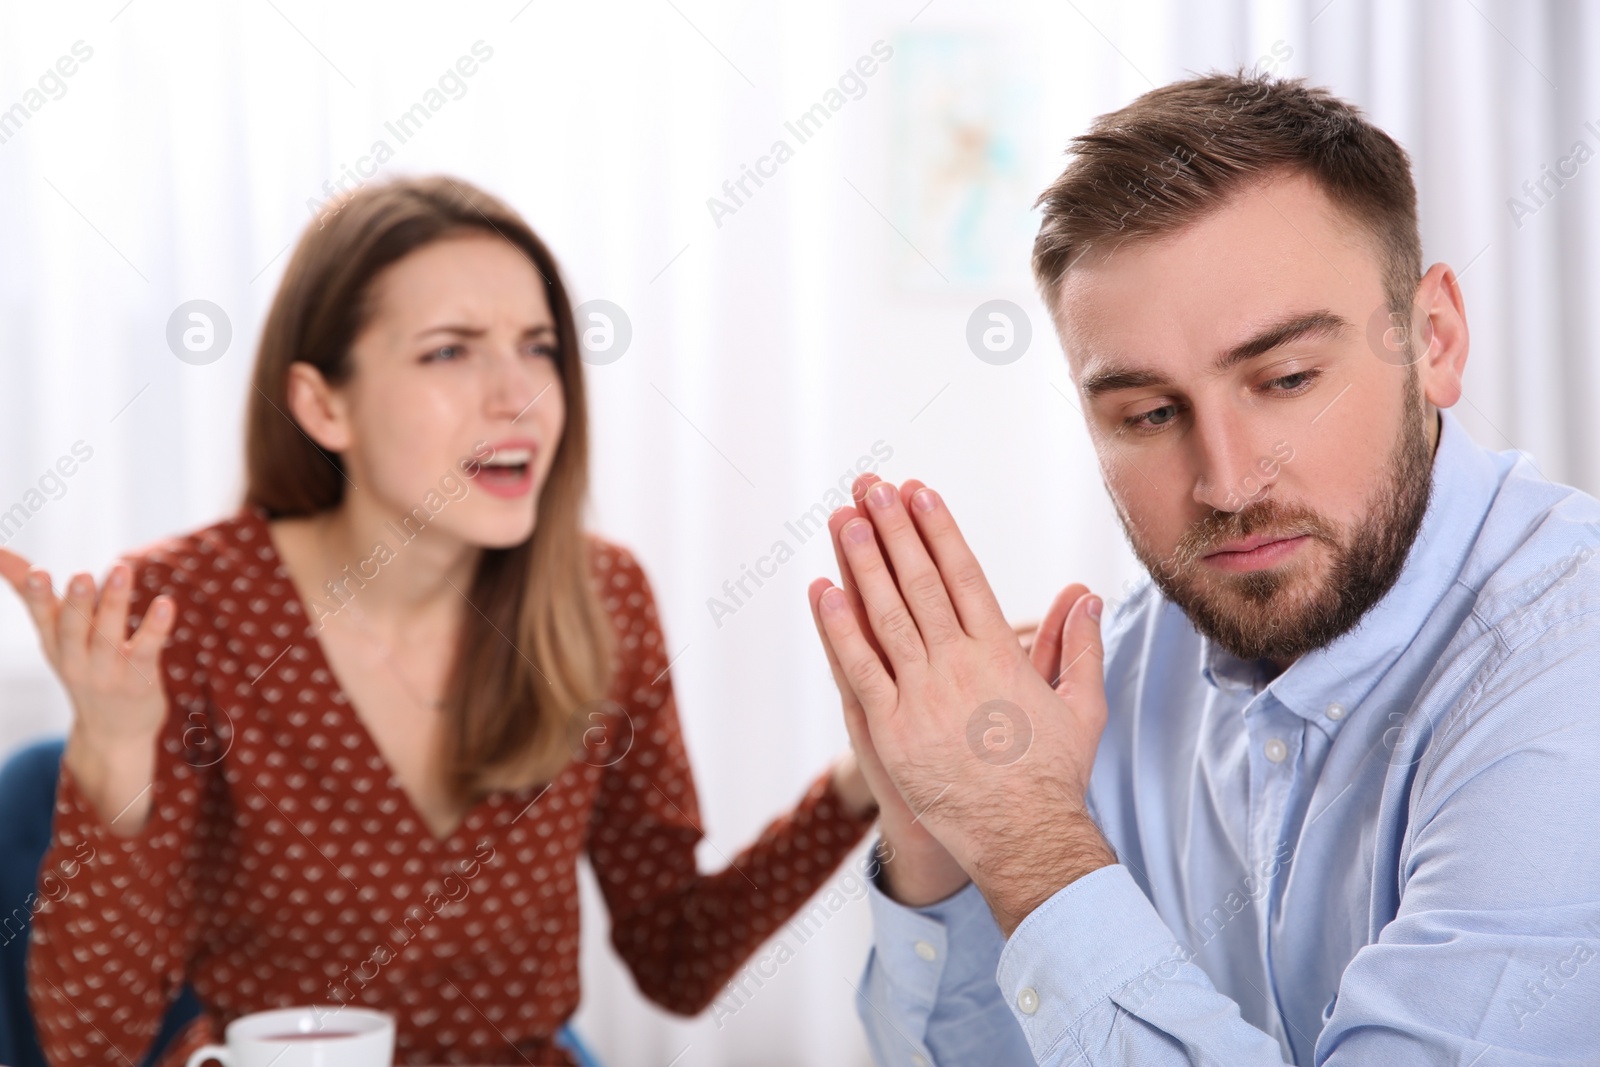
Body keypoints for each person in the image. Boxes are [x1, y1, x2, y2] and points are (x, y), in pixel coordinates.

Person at [807, 73, 1600, 1065]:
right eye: (1147, 413)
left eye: (1286, 380)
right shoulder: (1127, 669)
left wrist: (1027, 839)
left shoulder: (1571, 666)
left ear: (1432, 337)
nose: (1226, 483)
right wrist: (939, 840)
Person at [0, 175, 880, 1066]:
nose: (519, 394)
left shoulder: (603, 597)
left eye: (538, 347)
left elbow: (677, 959)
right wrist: (111, 753)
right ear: (321, 404)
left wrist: (865, 773)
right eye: (450, 351)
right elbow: (92, 1046)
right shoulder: (182, 611)